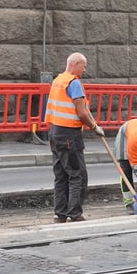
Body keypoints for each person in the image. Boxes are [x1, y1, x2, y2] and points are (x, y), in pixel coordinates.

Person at [44, 52, 104, 223]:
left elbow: (81, 109)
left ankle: (60, 213)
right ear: (76, 64)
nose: (84, 70)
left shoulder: (58, 80)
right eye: (83, 66)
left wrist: (91, 120)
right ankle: (74, 213)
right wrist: (94, 127)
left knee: (61, 174)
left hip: (54, 133)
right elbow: (81, 112)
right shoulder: (73, 83)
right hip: (69, 134)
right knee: (77, 174)